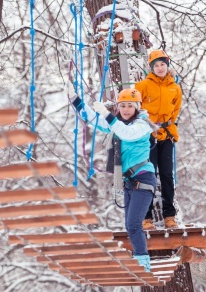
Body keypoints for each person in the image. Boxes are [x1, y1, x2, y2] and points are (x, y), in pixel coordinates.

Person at [67, 87, 157, 272]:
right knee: (130, 225)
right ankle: (140, 260)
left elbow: (126, 133)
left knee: (133, 223)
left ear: (137, 108)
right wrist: (75, 99)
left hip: (143, 178)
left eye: (129, 106)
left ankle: (143, 263)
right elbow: (93, 119)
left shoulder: (142, 125)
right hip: (130, 182)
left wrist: (108, 116)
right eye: (122, 106)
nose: (125, 109)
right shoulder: (118, 124)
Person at [135, 49, 182, 229]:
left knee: (167, 175)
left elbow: (176, 109)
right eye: (156, 65)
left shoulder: (175, 87)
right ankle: (145, 217)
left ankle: (169, 216)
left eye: (163, 64)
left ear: (167, 65)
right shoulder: (143, 86)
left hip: (166, 135)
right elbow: (133, 106)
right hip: (148, 136)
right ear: (151, 68)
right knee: (148, 175)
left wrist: (169, 126)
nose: (160, 68)